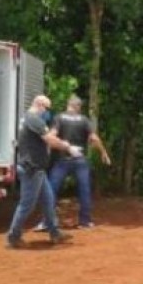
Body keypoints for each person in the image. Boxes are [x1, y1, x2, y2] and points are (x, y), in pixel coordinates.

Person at [6, 95, 76, 249]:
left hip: (37, 169)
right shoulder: (34, 119)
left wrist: (62, 143)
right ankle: (13, 237)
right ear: (40, 105)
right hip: (32, 168)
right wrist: (67, 147)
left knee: (48, 201)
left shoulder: (28, 119)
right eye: (47, 108)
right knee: (27, 205)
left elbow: (48, 137)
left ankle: (54, 233)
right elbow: (49, 140)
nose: (48, 112)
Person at [36, 94, 110, 230]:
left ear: (68, 105)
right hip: (80, 160)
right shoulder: (84, 120)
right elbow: (94, 139)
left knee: (51, 190)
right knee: (84, 190)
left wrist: (46, 150)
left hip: (61, 159)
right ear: (78, 107)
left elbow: (52, 135)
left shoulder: (59, 117)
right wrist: (103, 152)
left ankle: (47, 221)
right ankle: (85, 221)